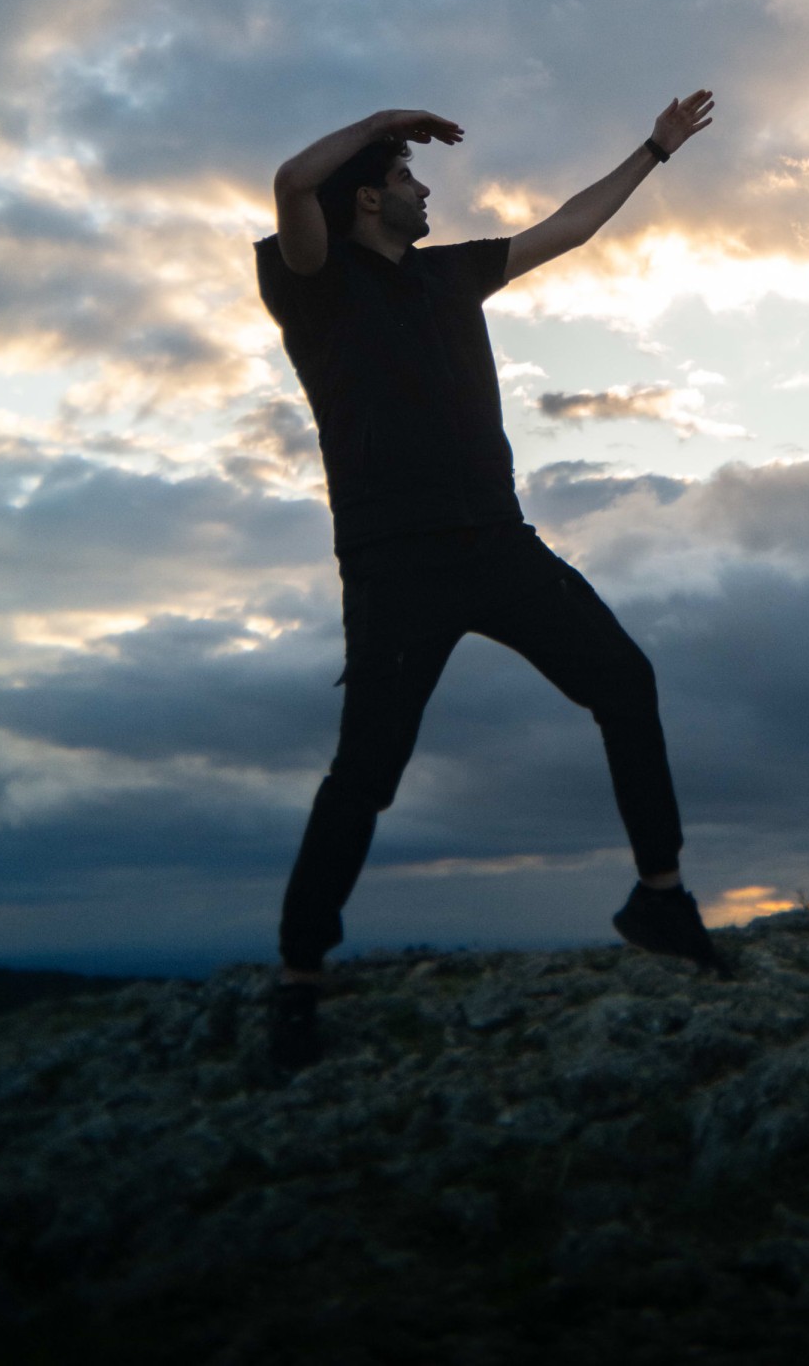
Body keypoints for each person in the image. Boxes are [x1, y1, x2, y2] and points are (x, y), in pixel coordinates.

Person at [256, 95, 726, 1067]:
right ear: (369, 200)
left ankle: (661, 899)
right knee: (366, 776)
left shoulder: (449, 275)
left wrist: (653, 150)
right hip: (393, 563)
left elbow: (566, 227)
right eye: (406, 179)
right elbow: (294, 183)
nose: (425, 191)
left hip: (499, 547)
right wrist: (382, 120)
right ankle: (299, 978)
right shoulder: (313, 281)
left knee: (623, 683)